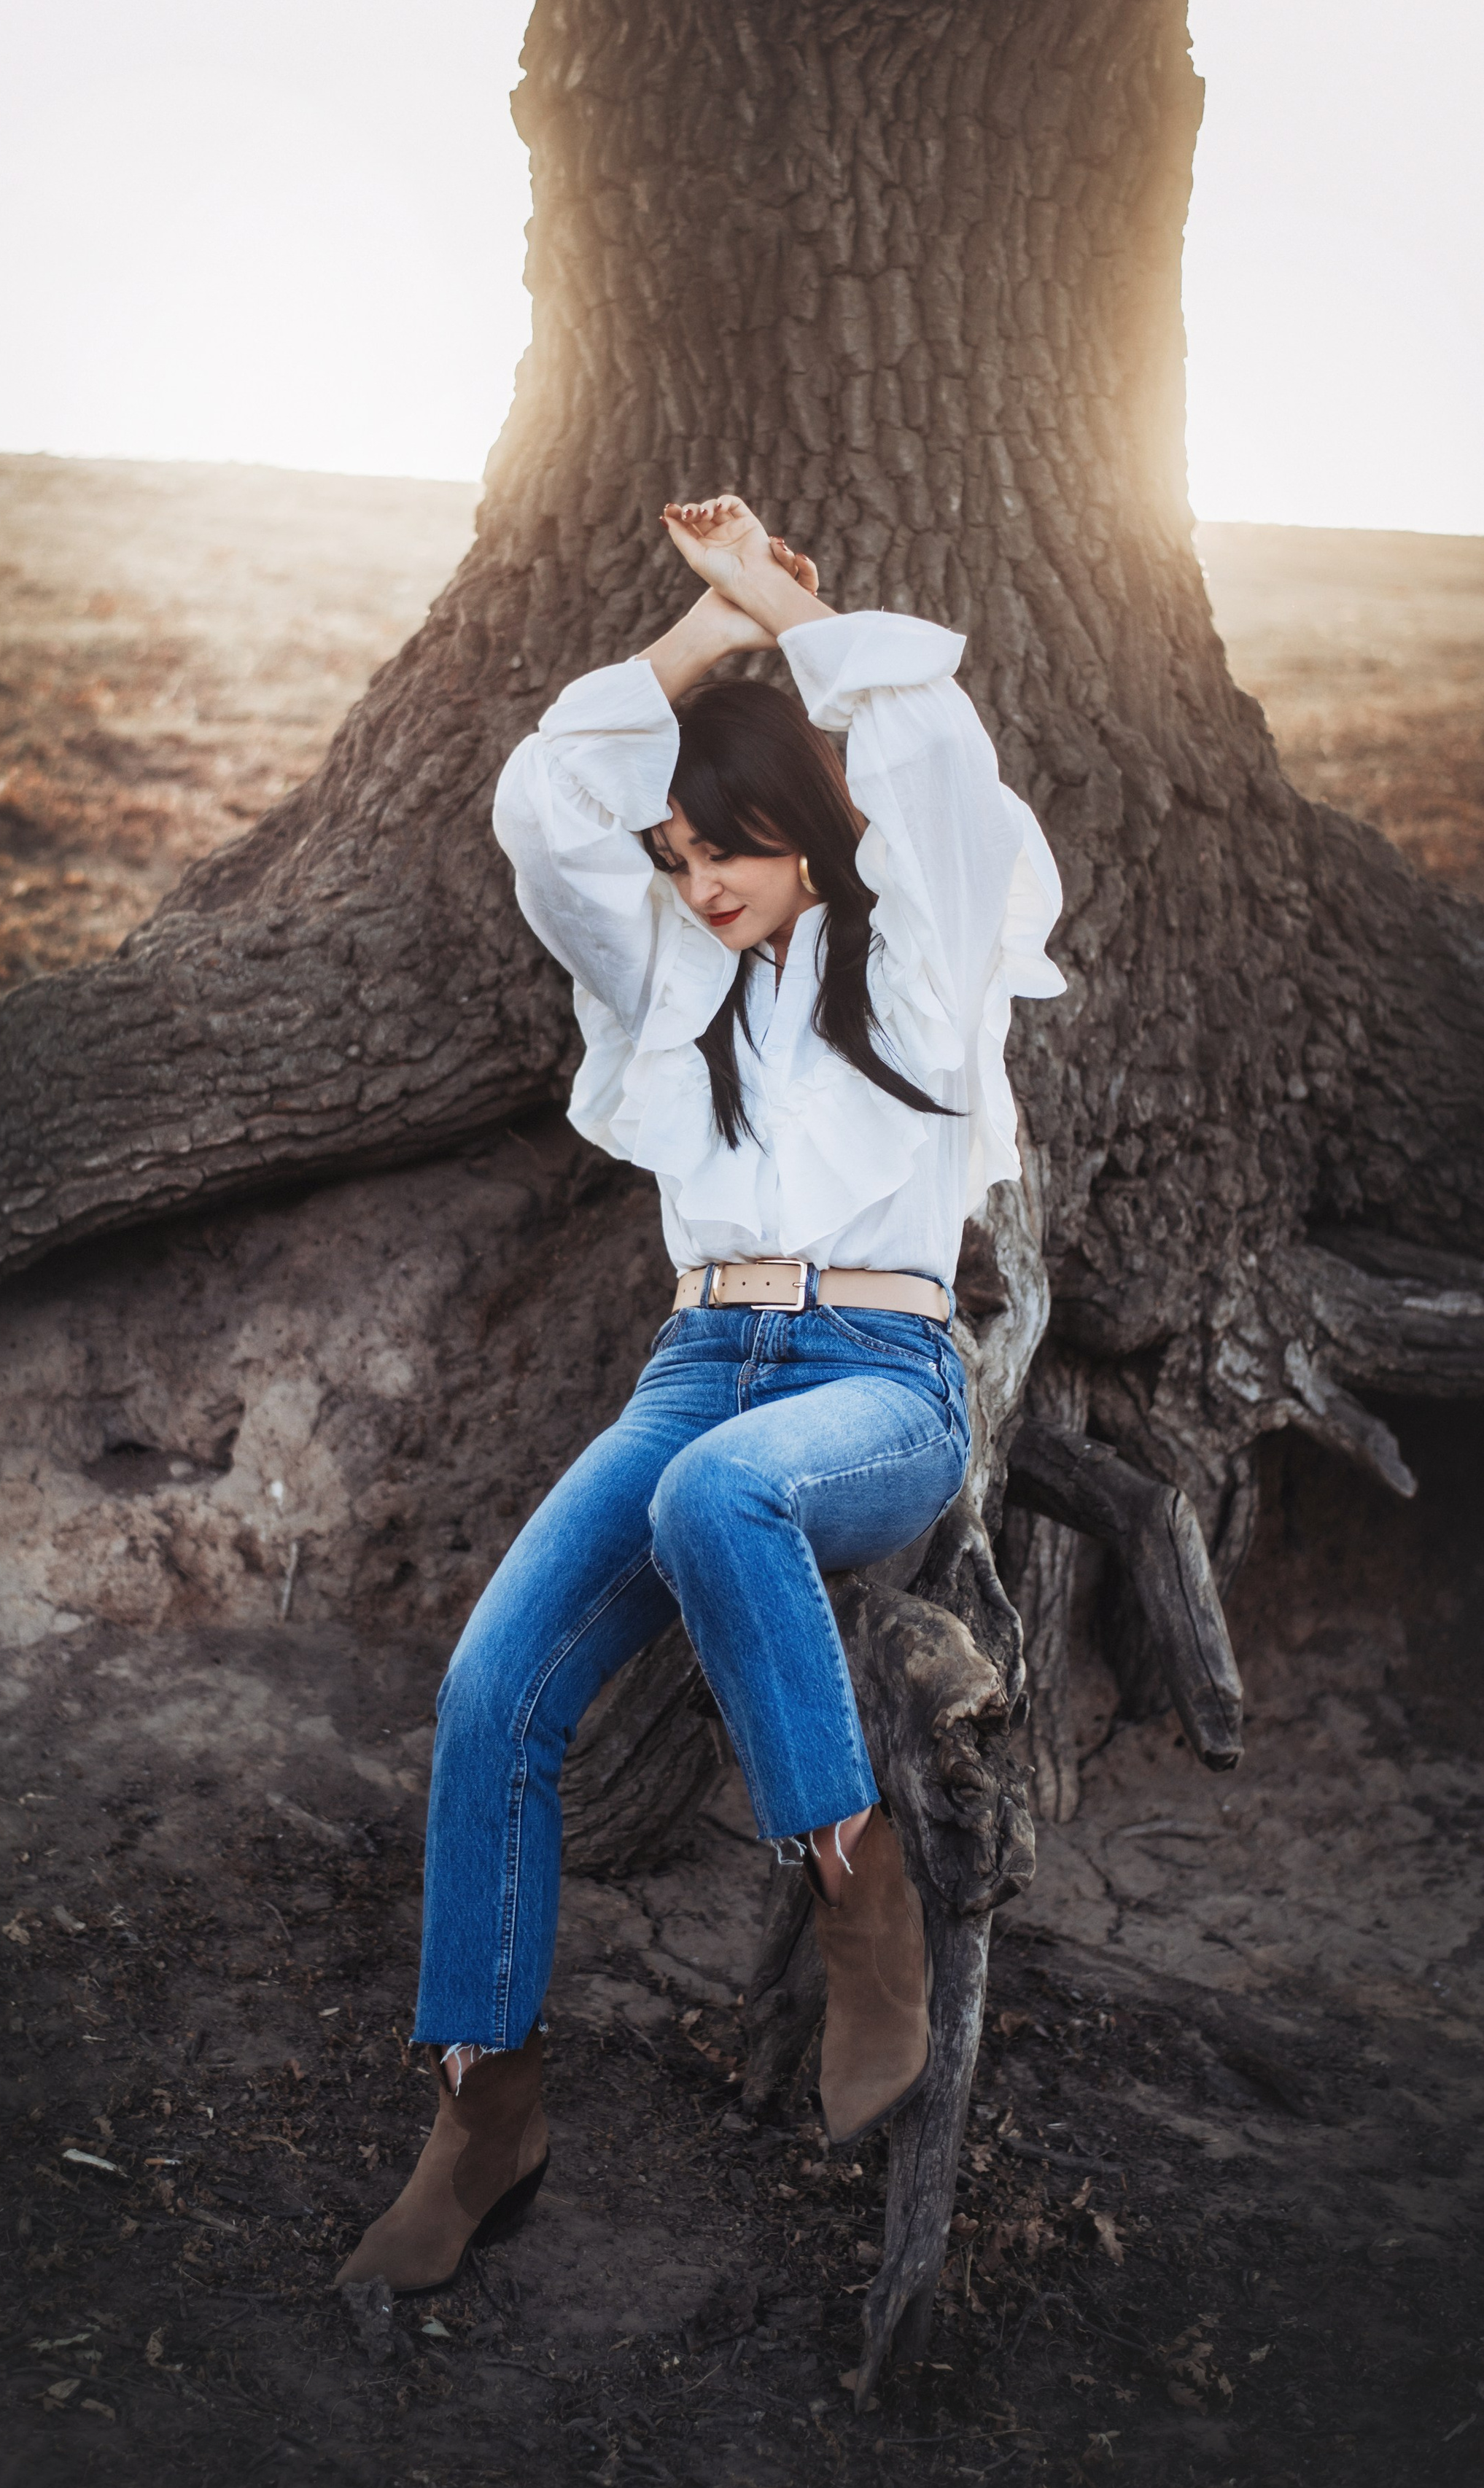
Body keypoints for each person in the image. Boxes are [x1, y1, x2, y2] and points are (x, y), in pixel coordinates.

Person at [337, 491, 1065, 2297]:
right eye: (673, 854)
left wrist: (789, 627)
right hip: (694, 1370)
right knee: (489, 1692)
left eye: (723, 842)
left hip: (879, 1379)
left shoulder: (922, 950)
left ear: (799, 818)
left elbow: (931, 752)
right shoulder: (676, 983)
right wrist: (699, 631)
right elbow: (539, 806)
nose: (697, 881)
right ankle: (484, 2108)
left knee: (716, 1495)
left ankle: (861, 1901)